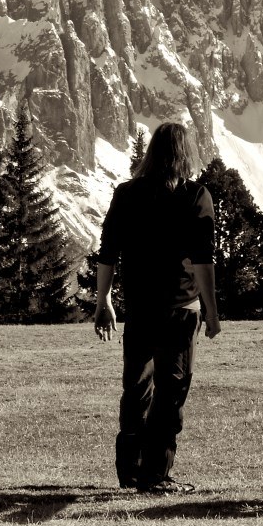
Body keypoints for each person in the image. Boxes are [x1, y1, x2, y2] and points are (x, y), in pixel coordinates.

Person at [94, 122, 221, 495]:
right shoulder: (195, 196)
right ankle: (156, 474)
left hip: (138, 308)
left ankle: (129, 470)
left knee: (136, 387)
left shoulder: (126, 194)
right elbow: (203, 261)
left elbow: (107, 253)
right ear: (186, 154)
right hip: (181, 309)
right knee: (172, 390)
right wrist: (212, 314)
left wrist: (103, 301)